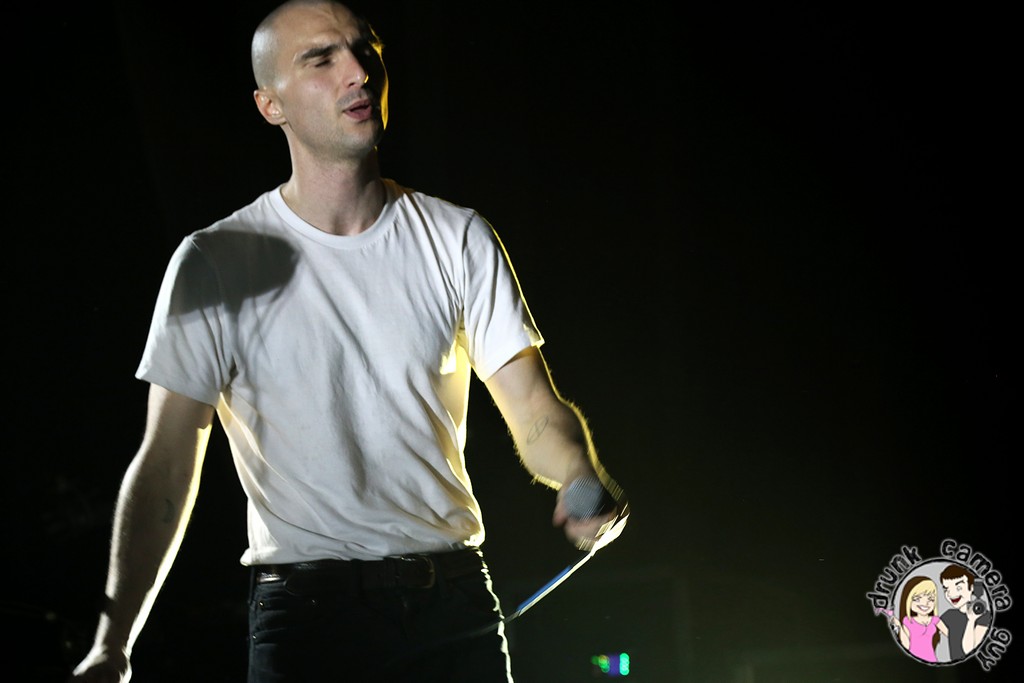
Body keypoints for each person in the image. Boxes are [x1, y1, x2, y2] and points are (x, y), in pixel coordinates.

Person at [67, 1, 628, 681]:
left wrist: (578, 472)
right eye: (321, 59)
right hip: (306, 620)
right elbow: (165, 463)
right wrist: (114, 641)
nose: (358, 72)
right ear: (270, 105)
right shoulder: (214, 262)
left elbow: (534, 409)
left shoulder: (457, 238)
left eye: (367, 51)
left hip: (452, 603)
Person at [889, 575, 948, 663]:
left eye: (931, 599)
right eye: (917, 599)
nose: (925, 603)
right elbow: (906, 645)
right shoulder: (907, 621)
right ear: (908, 600)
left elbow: (951, 635)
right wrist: (899, 626)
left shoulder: (935, 620)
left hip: (931, 659)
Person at [939, 564, 991, 661]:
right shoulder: (949, 615)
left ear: (971, 587)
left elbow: (969, 650)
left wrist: (971, 620)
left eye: (958, 588)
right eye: (946, 589)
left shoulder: (984, 616)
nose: (951, 594)